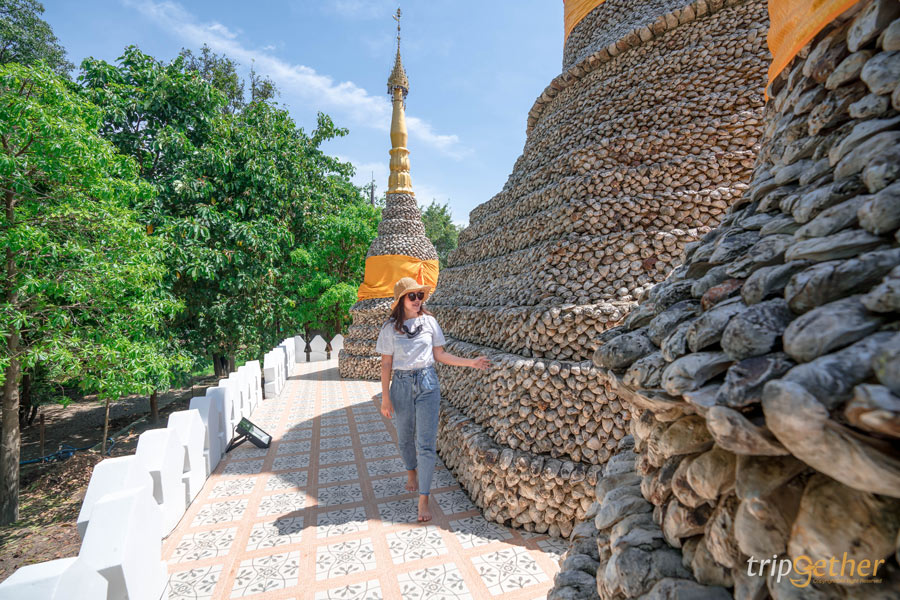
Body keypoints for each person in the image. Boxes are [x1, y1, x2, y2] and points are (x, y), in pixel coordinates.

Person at [375, 277, 490, 522]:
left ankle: (424, 499)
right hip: (402, 384)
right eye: (412, 296)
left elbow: (440, 355)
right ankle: (411, 472)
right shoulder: (389, 328)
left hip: (427, 383)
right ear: (401, 301)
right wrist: (385, 397)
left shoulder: (430, 322)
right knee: (405, 438)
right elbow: (386, 363)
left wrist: (471, 363)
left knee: (426, 445)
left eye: (420, 296)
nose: (418, 300)